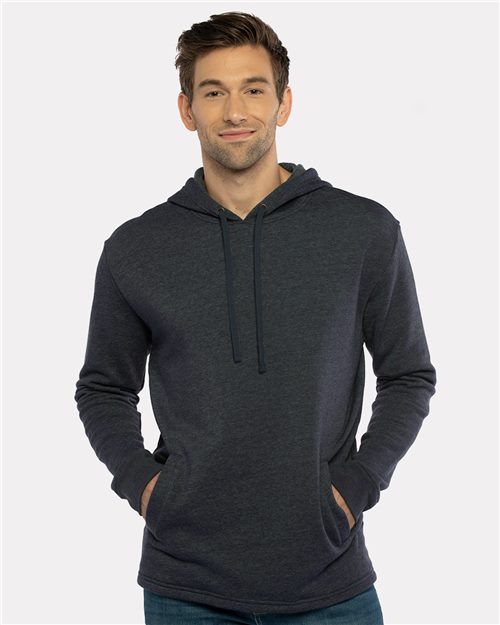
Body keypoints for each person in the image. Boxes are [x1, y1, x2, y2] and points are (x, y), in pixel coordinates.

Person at [74, 11, 437, 625]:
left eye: (253, 89)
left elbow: (408, 376)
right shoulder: (136, 248)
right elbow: (103, 389)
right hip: (185, 585)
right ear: (187, 110)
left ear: (283, 103)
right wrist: (145, 487)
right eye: (213, 92)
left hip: (330, 578)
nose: (235, 111)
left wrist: (357, 487)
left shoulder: (363, 231)